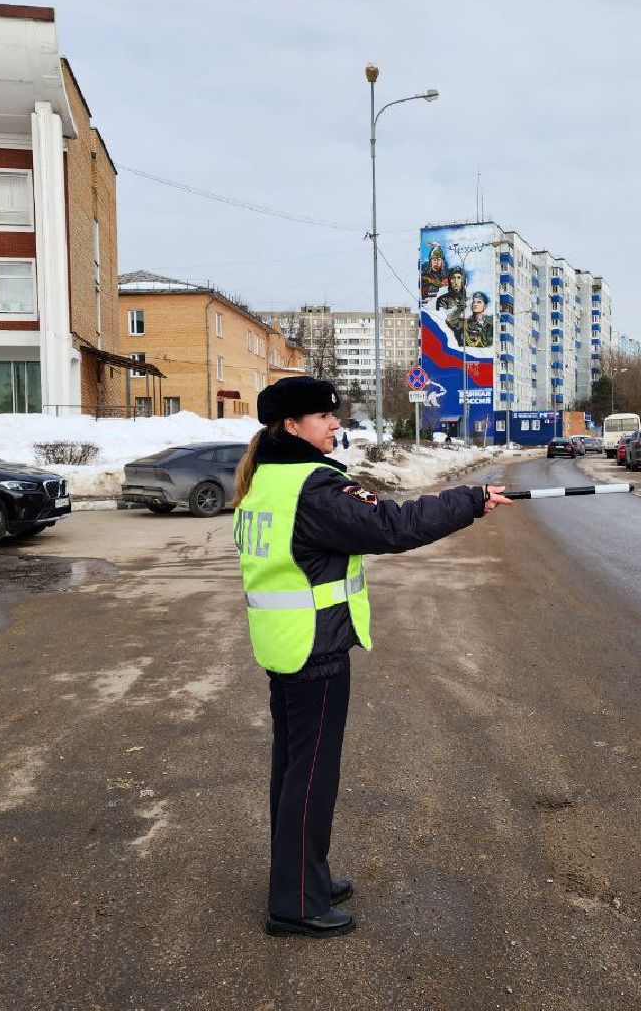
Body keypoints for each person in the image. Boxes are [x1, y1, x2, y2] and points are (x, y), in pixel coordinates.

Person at [231, 375, 512, 939]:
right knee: (311, 776)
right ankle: (297, 903)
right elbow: (392, 526)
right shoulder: (314, 487)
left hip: (285, 643)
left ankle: (302, 878)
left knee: (294, 770)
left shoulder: (268, 478)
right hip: (314, 649)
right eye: (323, 416)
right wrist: (469, 500)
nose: (335, 423)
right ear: (291, 426)